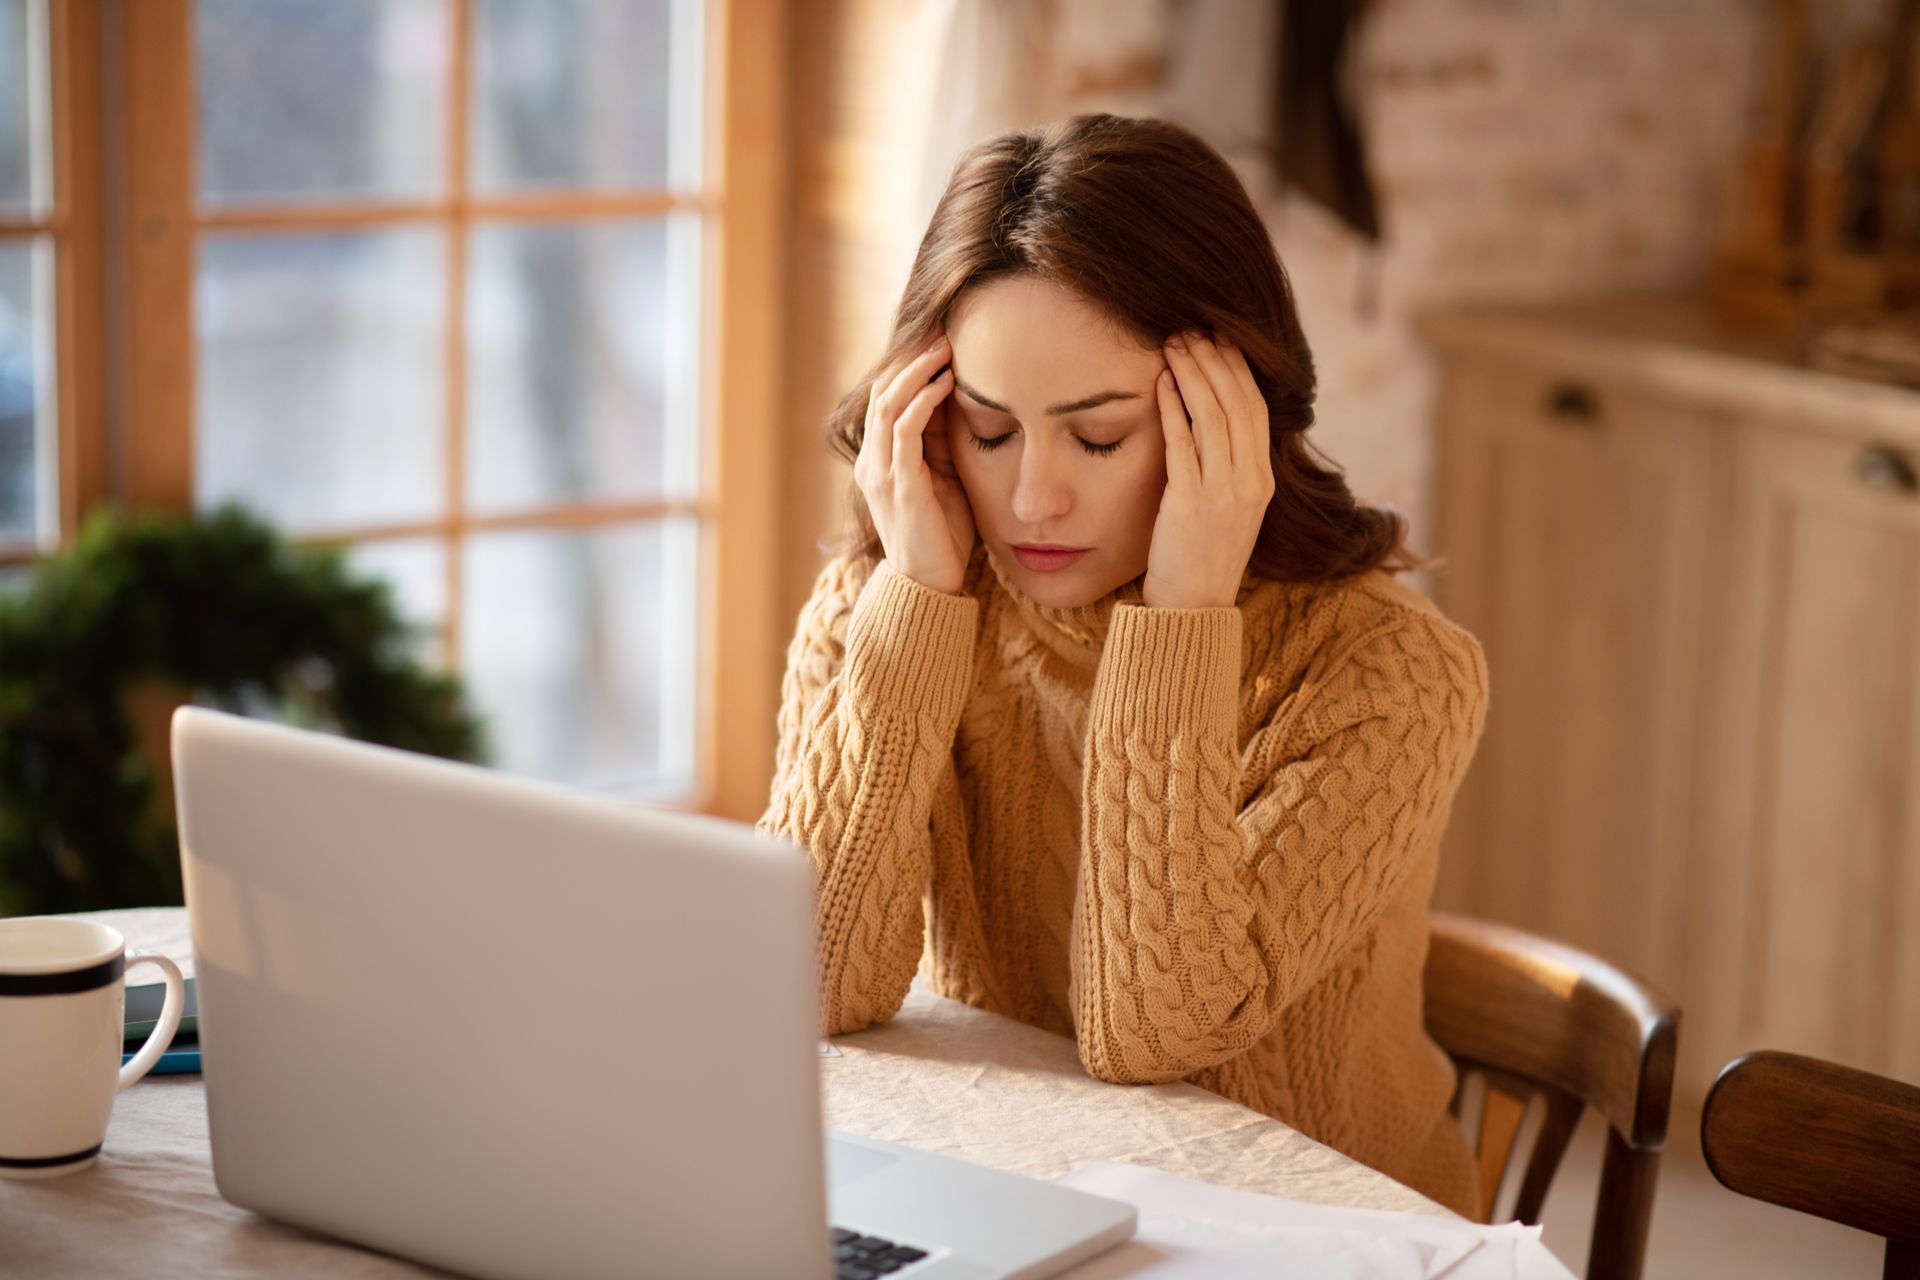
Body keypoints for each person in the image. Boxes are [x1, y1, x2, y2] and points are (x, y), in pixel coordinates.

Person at [758, 113, 1489, 1219]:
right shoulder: (885, 607)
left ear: (1229, 416)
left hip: (1314, 1238)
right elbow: (797, 985)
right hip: (1021, 1199)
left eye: (1098, 438)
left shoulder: (1389, 675)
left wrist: (1184, 615)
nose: (1033, 499)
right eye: (988, 430)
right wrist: (909, 612)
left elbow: (1157, 1031)